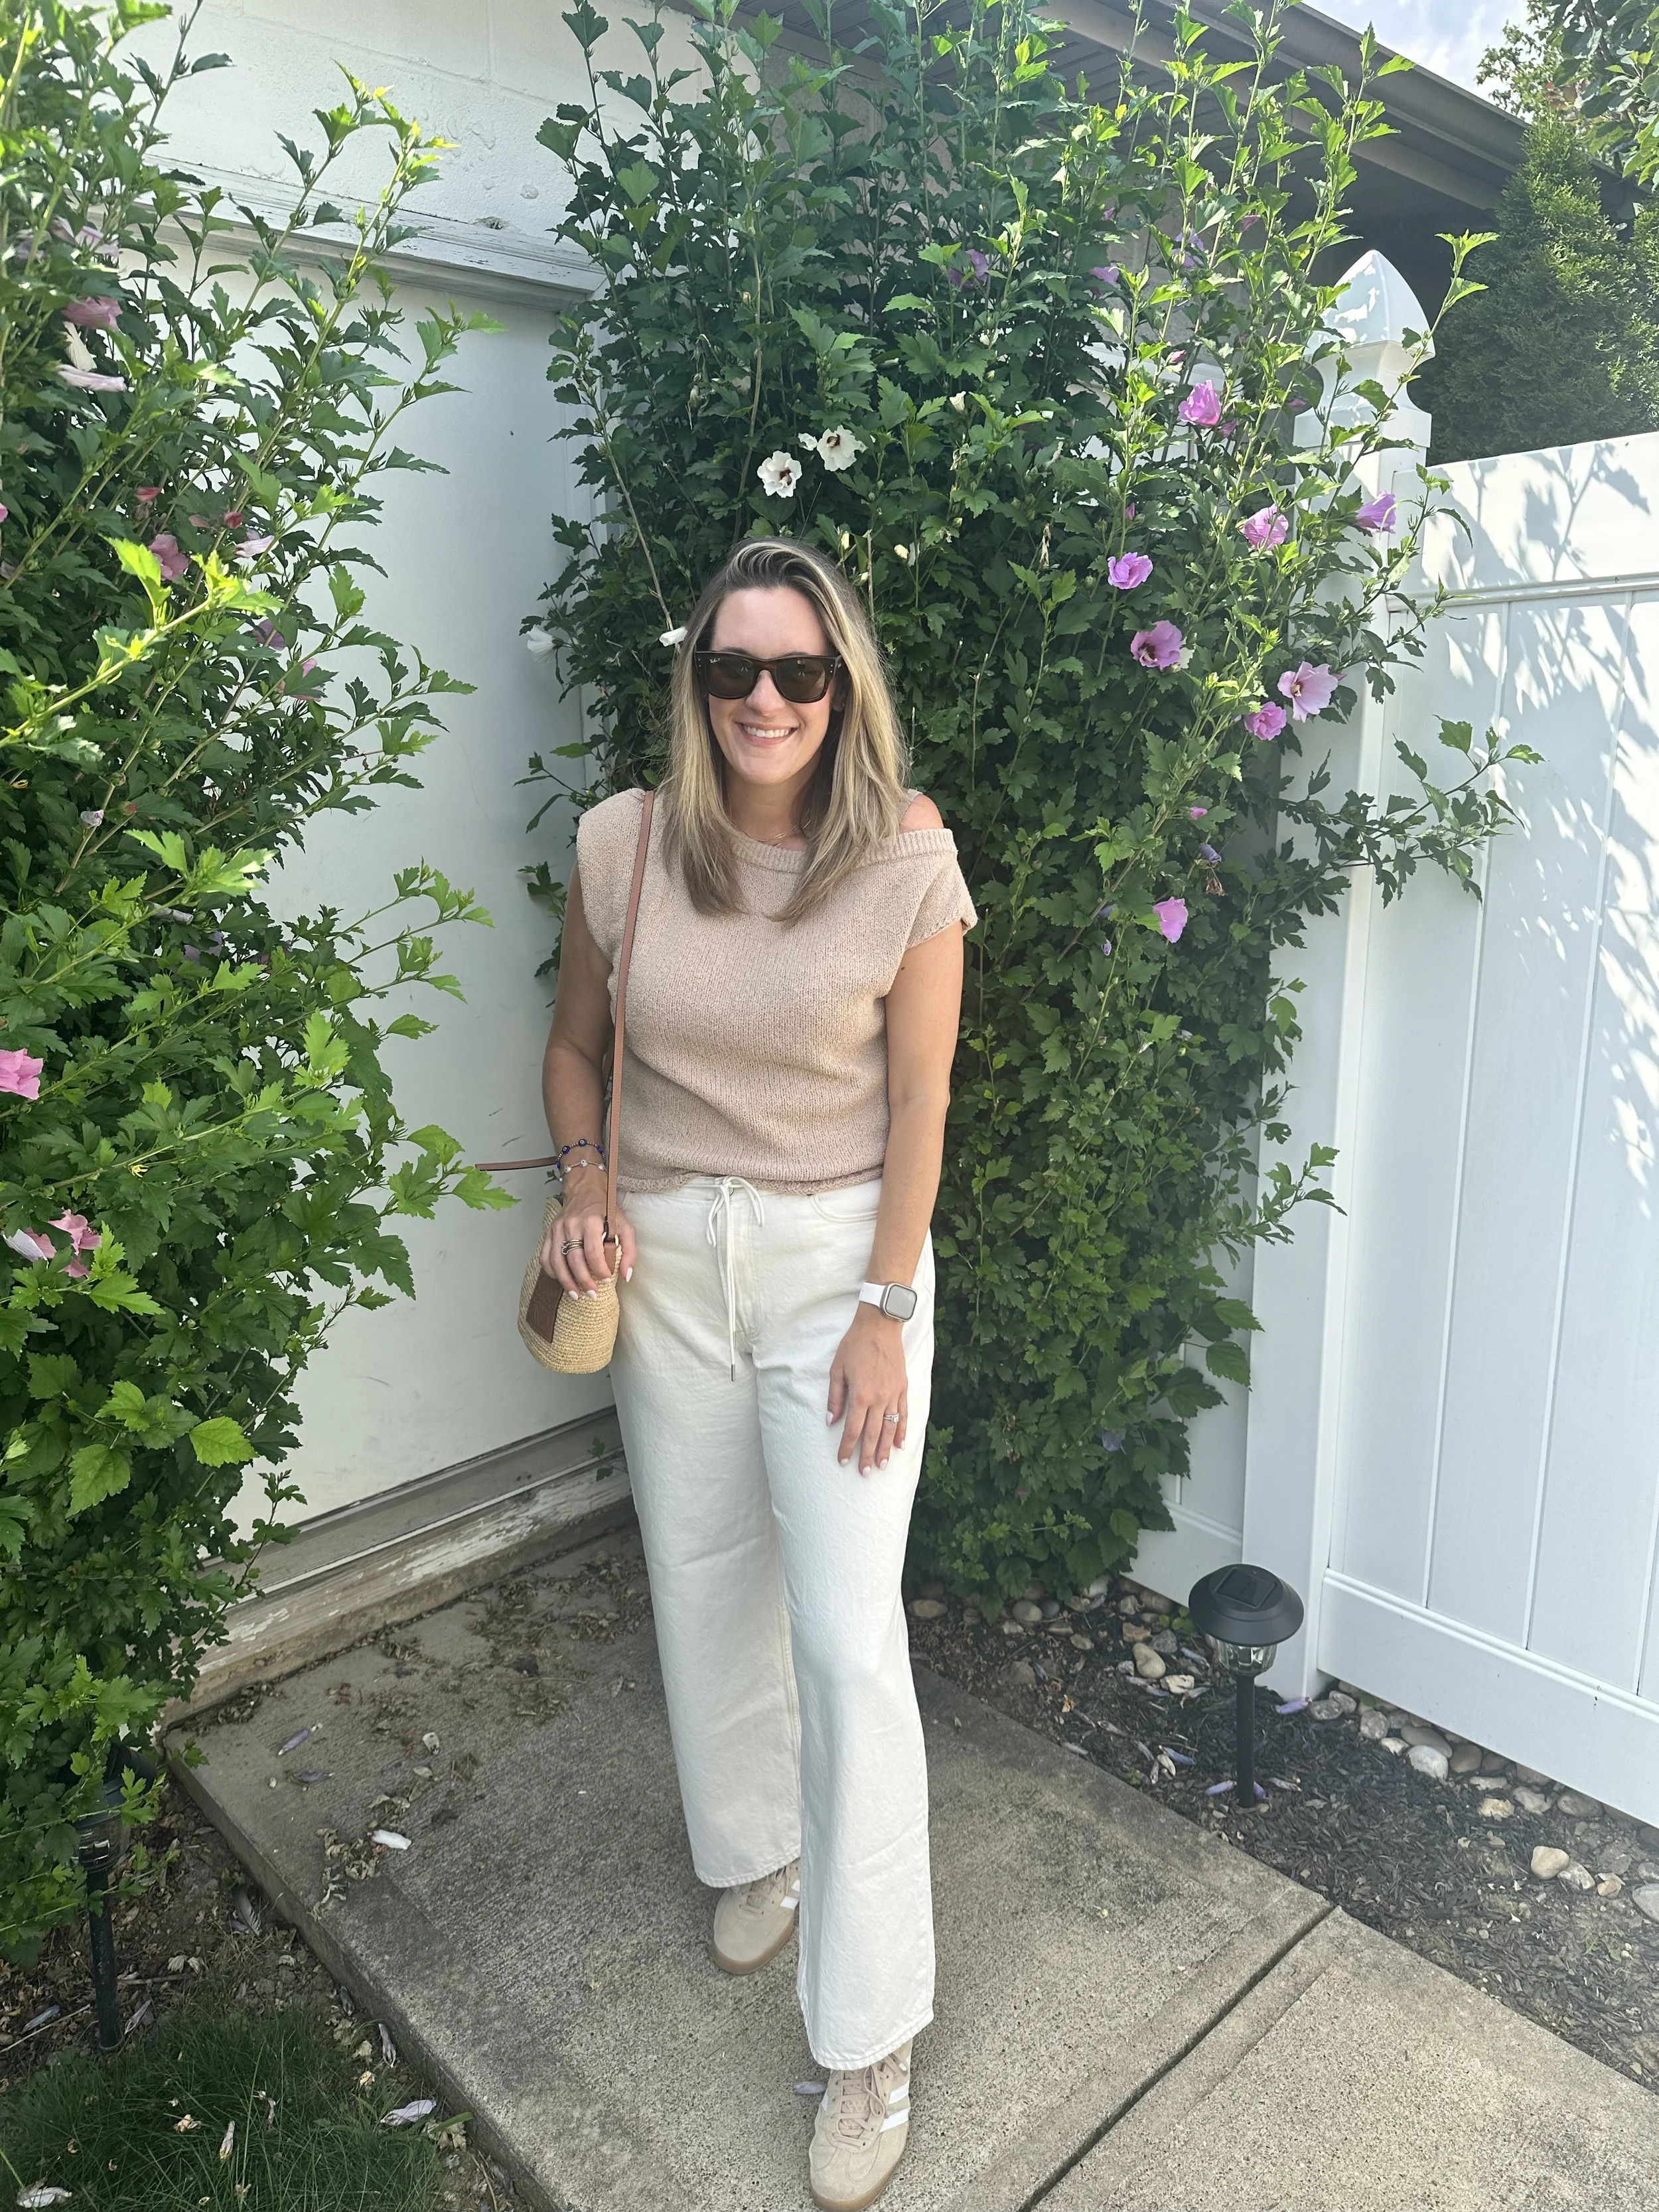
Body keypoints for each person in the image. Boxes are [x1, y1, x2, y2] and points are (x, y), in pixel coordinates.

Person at [539, 534, 974, 2210]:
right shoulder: (623, 845)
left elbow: (921, 1101)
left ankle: (870, 2032)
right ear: (697, 680)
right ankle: (755, 1849)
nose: (765, 699)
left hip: (836, 1268)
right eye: (734, 668)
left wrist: (883, 1304)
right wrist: (585, 1179)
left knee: (847, 1638)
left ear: (841, 685)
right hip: (661, 1259)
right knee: (703, 1572)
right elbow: (575, 1046)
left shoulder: (905, 856)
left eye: (799, 669)